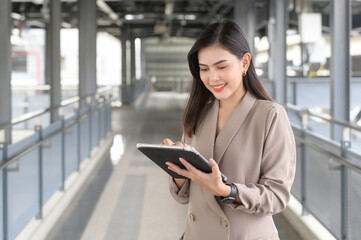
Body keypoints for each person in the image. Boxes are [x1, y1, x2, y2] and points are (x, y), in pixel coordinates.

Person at [161, 20, 296, 240]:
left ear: (244, 63)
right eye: (204, 69)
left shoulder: (270, 115)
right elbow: (184, 197)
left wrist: (227, 191)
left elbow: (277, 197)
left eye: (221, 67)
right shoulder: (198, 113)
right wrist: (178, 170)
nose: (212, 78)